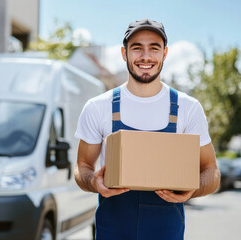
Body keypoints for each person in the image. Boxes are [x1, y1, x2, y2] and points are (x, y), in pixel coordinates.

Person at [74, 18, 221, 240]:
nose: (145, 56)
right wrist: (93, 182)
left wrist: (193, 188)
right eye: (137, 48)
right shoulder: (98, 107)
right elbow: (82, 167)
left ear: (165, 53)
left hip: (166, 231)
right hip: (113, 230)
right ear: (124, 54)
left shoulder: (187, 108)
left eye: (154, 48)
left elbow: (212, 172)